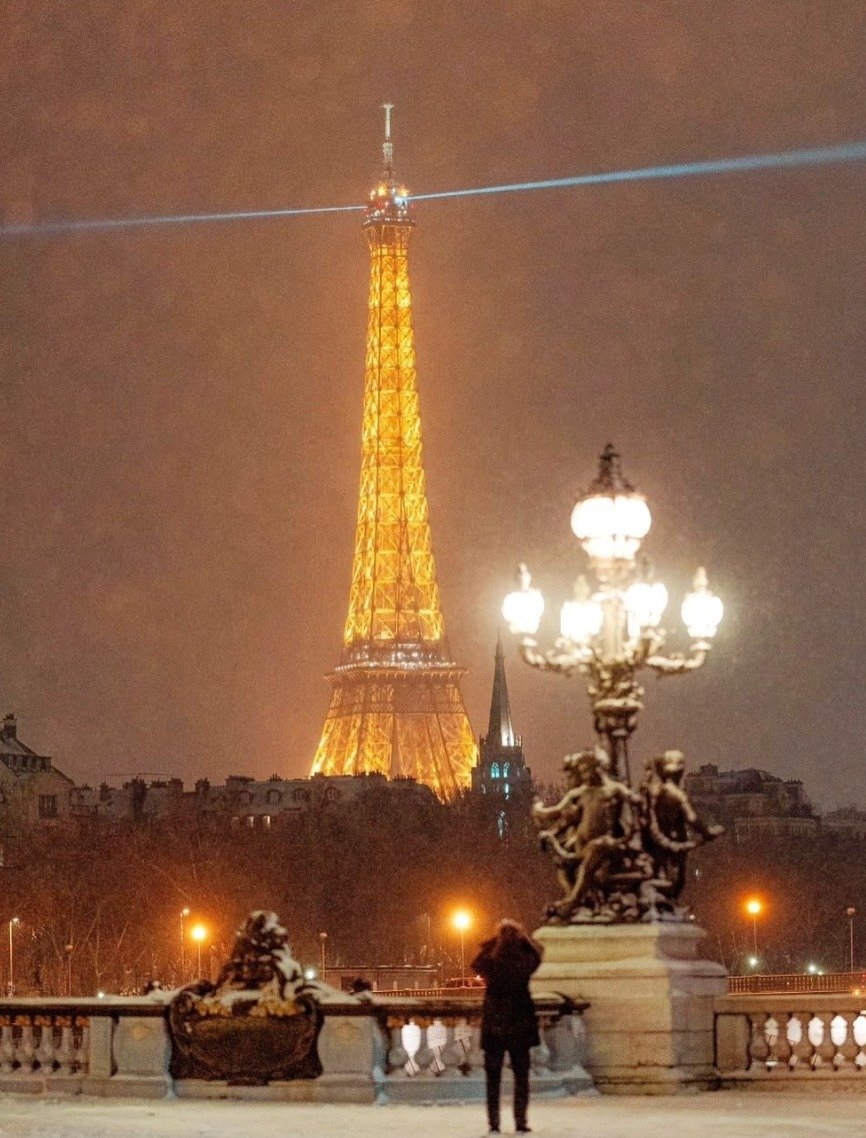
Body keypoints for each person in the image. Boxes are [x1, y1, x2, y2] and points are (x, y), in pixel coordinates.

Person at [471, 919, 543, 1135]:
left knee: (493, 1080)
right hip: (520, 1025)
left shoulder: (492, 961)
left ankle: (494, 1124)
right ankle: (520, 1121)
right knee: (521, 1078)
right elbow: (537, 958)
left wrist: (493, 942)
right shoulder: (524, 959)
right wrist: (525, 941)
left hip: (495, 1025)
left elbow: (476, 964)